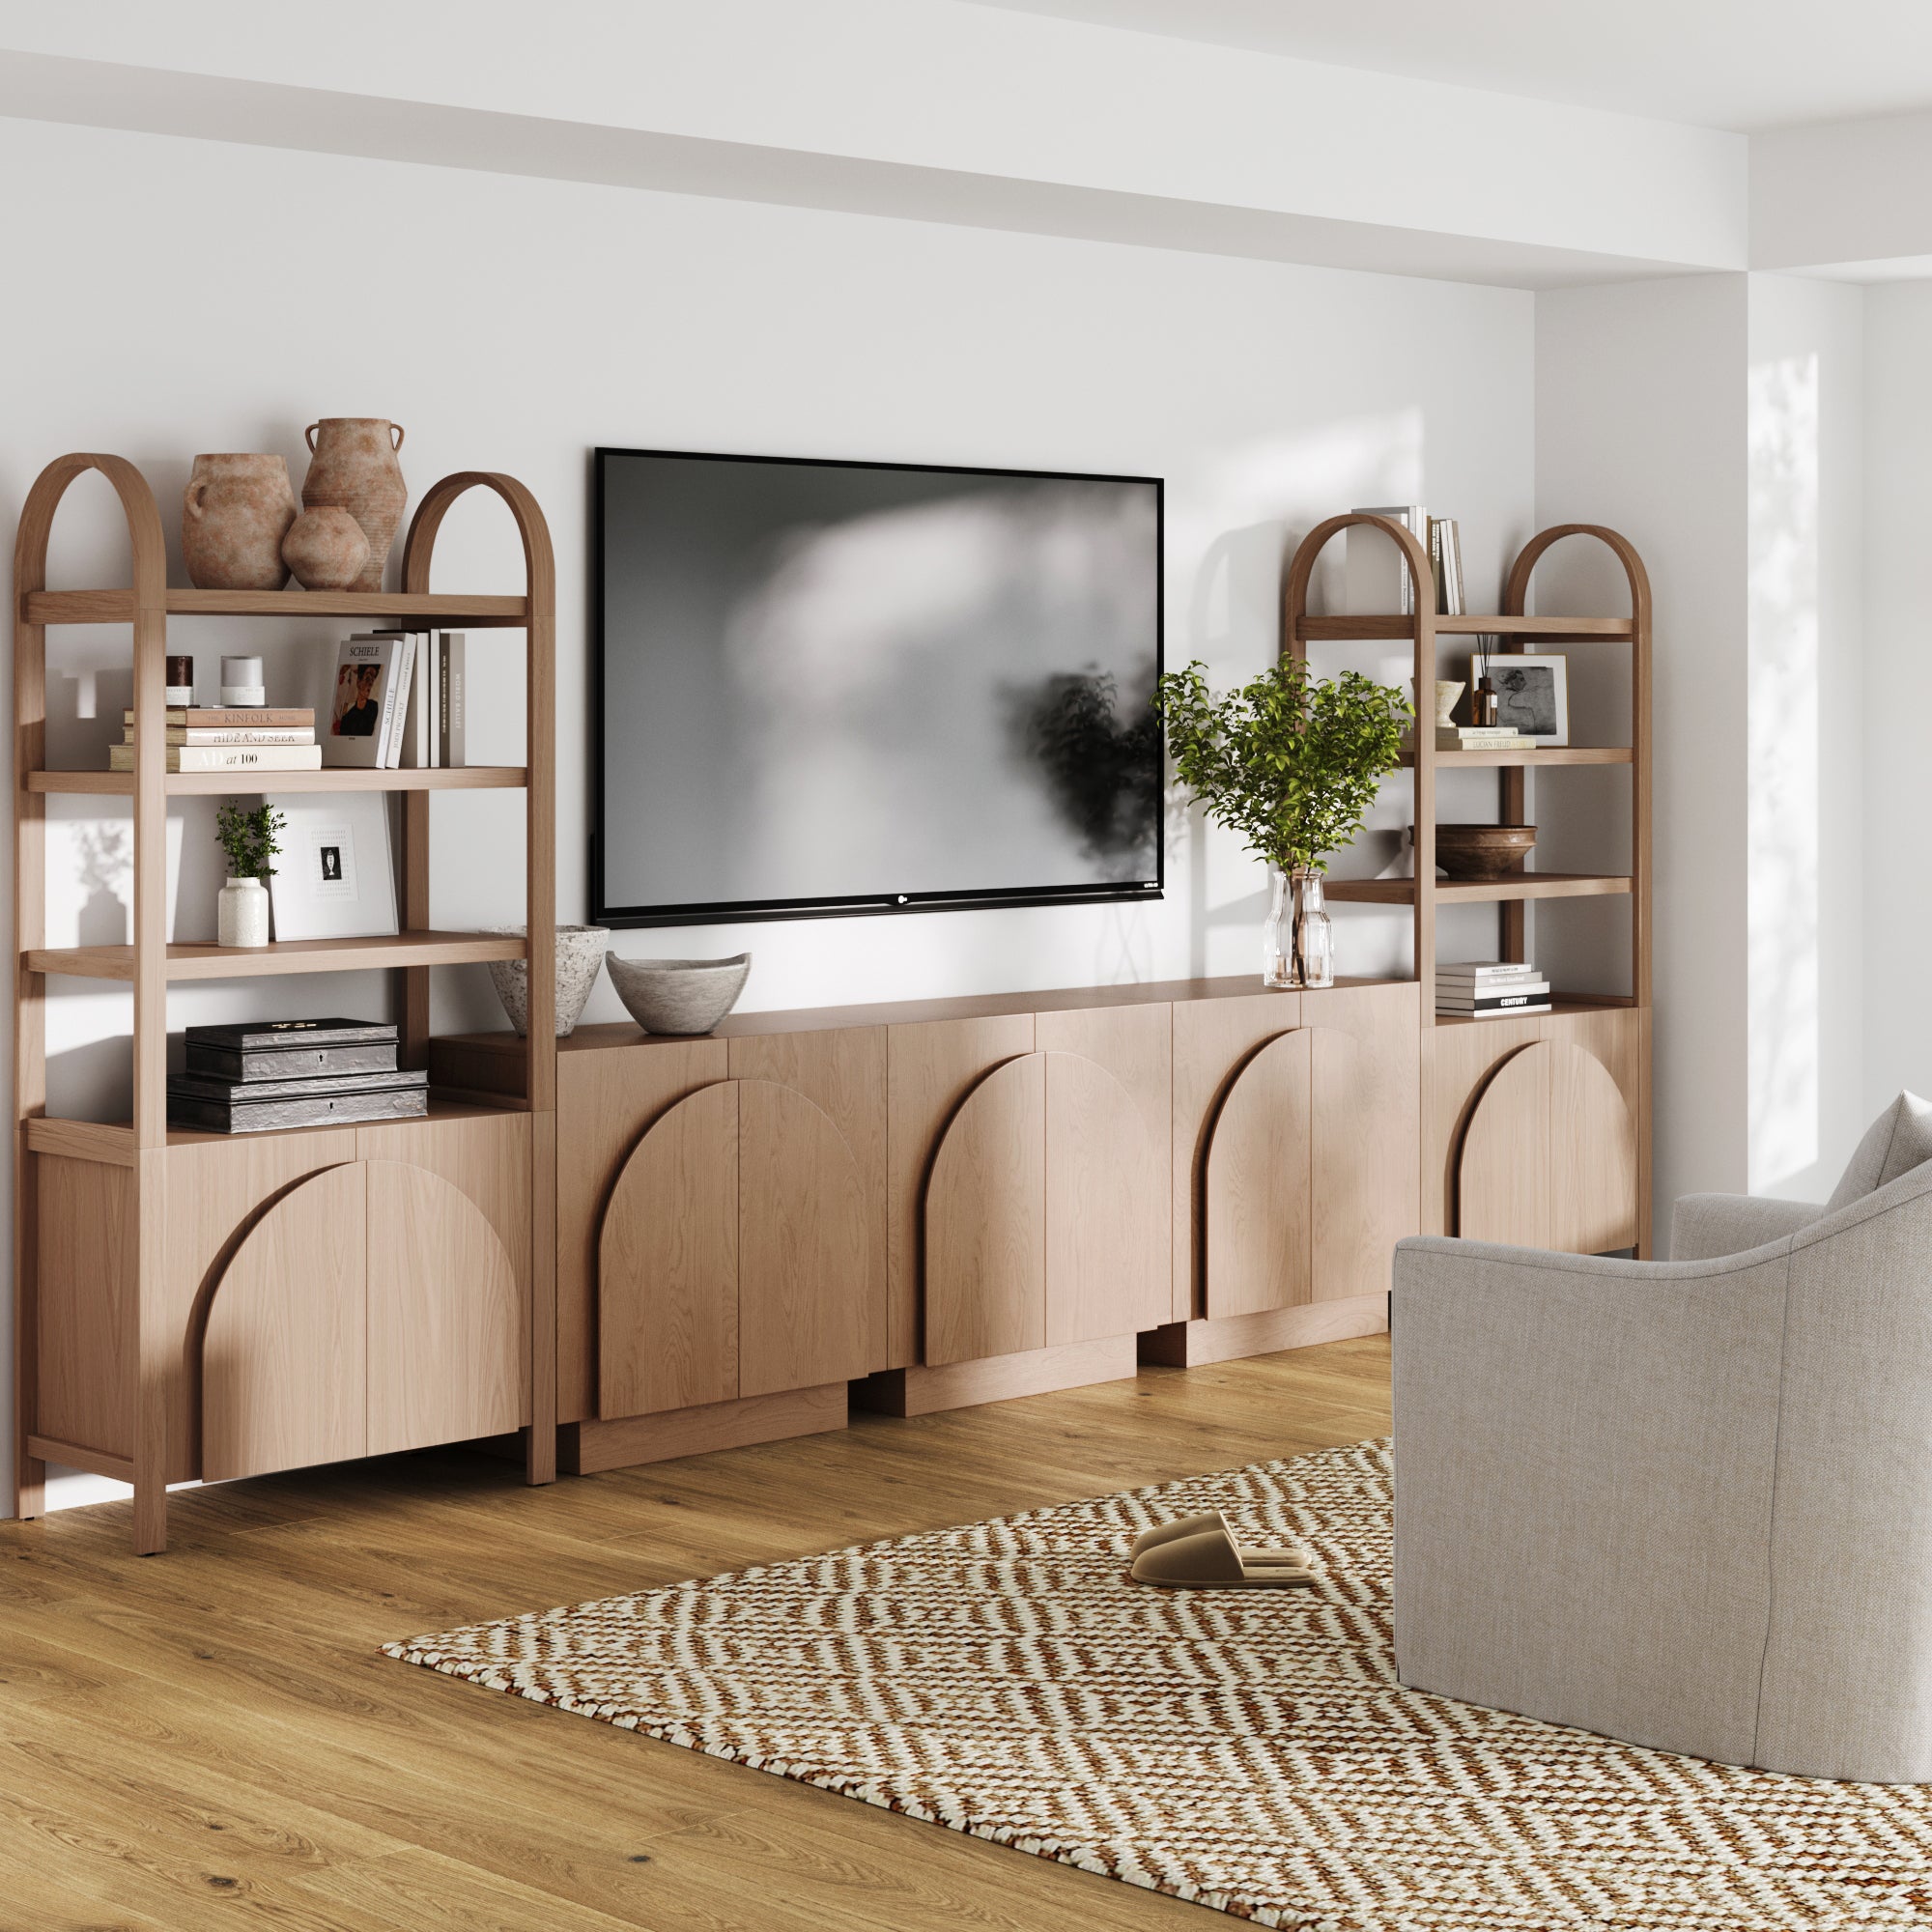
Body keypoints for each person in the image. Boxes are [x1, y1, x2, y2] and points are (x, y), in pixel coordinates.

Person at [334, 664, 382, 737]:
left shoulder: (374, 706)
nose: (370, 683)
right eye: (368, 678)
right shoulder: (346, 716)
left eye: (373, 679)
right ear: (358, 682)